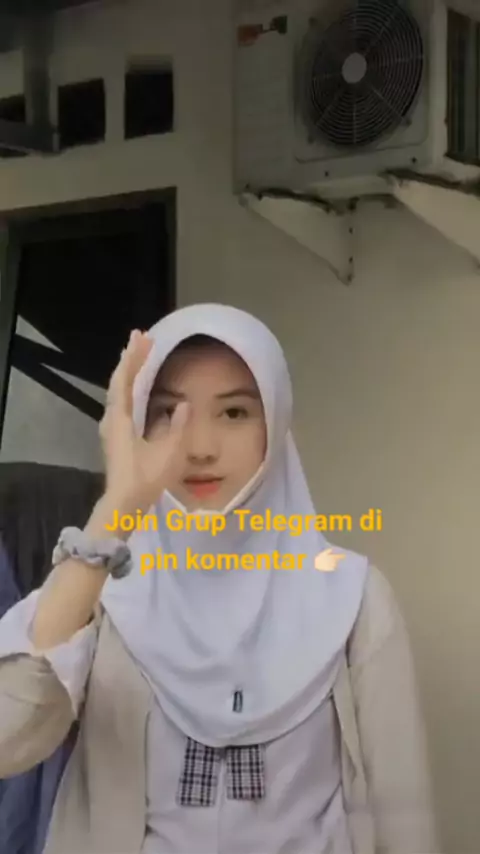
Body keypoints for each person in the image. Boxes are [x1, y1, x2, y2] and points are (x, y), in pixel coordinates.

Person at [0, 304, 438, 854]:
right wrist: (116, 508)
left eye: (234, 413)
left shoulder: (353, 598)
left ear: (275, 428)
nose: (200, 447)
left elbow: (403, 816)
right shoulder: (104, 588)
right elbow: (8, 737)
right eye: (166, 413)